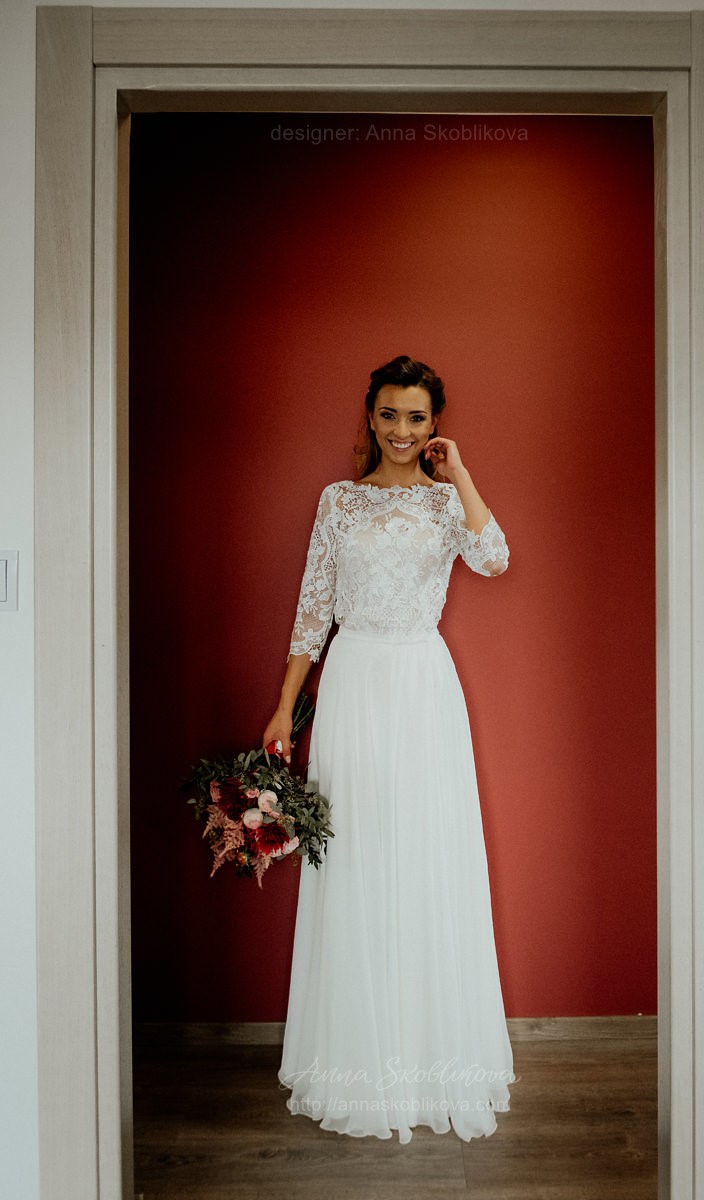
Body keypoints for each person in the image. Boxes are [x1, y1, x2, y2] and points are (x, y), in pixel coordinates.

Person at [262, 354, 517, 1143]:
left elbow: (495, 557)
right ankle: (359, 1056)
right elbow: (313, 611)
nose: (401, 430)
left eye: (416, 417)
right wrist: (284, 707)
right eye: (389, 414)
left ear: (434, 425)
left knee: (424, 853)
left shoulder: (446, 503)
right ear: (369, 417)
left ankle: (431, 1057)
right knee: (358, 853)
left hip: (420, 685)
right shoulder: (338, 502)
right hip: (353, 683)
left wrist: (459, 473)